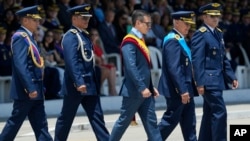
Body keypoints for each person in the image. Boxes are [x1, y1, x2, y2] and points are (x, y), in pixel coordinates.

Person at [54, 4, 110, 141]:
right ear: (74, 19)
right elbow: (71, 61)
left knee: (97, 117)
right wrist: (79, 81)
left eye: (88, 18)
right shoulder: (70, 36)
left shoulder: (83, 35)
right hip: (76, 86)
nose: (87, 20)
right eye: (83, 18)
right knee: (66, 118)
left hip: (89, 84)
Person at [0, 5, 53, 141]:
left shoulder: (30, 38)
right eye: (35, 20)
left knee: (41, 125)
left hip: (36, 89)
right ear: (25, 21)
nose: (38, 23)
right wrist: (30, 87)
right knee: (14, 123)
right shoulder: (20, 38)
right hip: (27, 91)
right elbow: (21, 65)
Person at [109, 10, 162, 141]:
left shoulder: (139, 39)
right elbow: (131, 66)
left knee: (152, 125)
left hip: (145, 91)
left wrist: (149, 86)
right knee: (123, 123)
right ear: (138, 23)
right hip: (134, 91)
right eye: (147, 23)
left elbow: (143, 67)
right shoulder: (129, 41)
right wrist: (141, 87)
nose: (149, 26)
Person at [191, 3, 239, 141]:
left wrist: (231, 77)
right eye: (212, 16)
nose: (215, 19)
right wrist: (199, 82)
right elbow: (197, 61)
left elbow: (222, 58)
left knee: (210, 113)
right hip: (208, 81)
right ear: (204, 17)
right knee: (220, 111)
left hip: (217, 80)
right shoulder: (200, 35)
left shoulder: (217, 33)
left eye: (217, 16)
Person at [157, 11, 198, 141]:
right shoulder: (172, 40)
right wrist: (182, 90)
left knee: (189, 123)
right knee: (169, 121)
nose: (188, 27)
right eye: (186, 23)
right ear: (176, 22)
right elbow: (174, 68)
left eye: (189, 24)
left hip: (186, 87)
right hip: (178, 89)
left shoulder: (180, 39)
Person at [90, 28, 118, 96]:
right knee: (108, 69)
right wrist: (97, 58)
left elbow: (103, 57)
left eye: (96, 35)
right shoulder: (89, 45)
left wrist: (103, 61)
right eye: (92, 35)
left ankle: (112, 90)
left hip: (101, 64)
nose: (94, 36)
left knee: (112, 66)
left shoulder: (98, 46)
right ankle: (100, 89)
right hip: (94, 65)